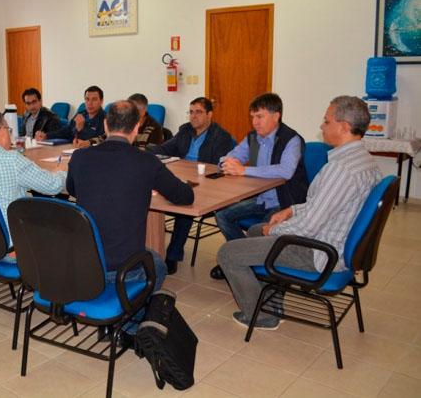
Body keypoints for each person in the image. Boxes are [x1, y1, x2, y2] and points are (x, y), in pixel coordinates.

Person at [217, 96, 381, 330]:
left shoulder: (341, 169)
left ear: (344, 127)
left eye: (326, 121)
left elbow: (308, 227)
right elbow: (324, 205)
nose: (321, 127)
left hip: (318, 252)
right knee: (254, 230)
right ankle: (273, 299)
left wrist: (274, 229)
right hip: (330, 239)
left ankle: (263, 316)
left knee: (227, 253)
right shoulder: (364, 162)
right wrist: (291, 211)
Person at [67, 100, 194, 301]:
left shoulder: (79, 157)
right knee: (158, 264)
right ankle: (131, 319)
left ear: (106, 126)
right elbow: (184, 197)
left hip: (83, 262)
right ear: (136, 128)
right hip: (123, 269)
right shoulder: (146, 161)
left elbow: (73, 190)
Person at [211, 93, 308, 280]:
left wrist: (244, 171)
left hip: (285, 202)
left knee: (260, 227)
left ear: (276, 115)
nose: (255, 122)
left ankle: (244, 259)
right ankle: (243, 259)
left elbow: (285, 171)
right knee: (222, 214)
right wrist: (227, 162)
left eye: (259, 116)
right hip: (261, 198)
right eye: (252, 117)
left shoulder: (291, 139)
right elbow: (232, 156)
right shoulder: (253, 138)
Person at [150, 97, 235, 274]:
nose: (193, 116)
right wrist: (143, 152)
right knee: (151, 197)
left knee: (184, 204)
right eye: (191, 112)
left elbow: (217, 167)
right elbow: (166, 148)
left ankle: (172, 255)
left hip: (206, 184)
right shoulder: (185, 130)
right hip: (182, 176)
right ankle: (150, 248)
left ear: (209, 115)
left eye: (198, 112)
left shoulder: (221, 136)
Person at [36, 85, 106, 148]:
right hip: (70, 150)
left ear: (101, 101)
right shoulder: (80, 114)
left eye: (94, 99)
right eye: (87, 99)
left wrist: (82, 129)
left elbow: (100, 140)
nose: (90, 103)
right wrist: (47, 136)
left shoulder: (105, 119)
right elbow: (66, 131)